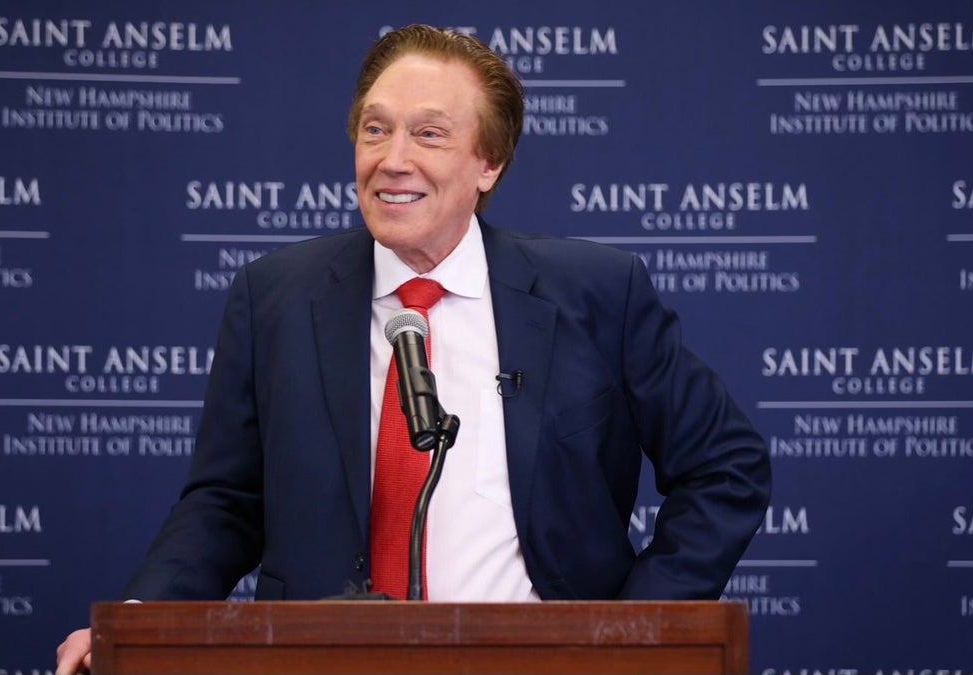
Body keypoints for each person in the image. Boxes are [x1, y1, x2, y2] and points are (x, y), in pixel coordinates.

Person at [57, 24, 770, 674]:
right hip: (321, 662)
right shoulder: (272, 296)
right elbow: (227, 500)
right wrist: (140, 623)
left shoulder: (596, 293)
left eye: (429, 135)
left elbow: (725, 465)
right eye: (376, 130)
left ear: (488, 163)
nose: (393, 160)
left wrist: (636, 628)